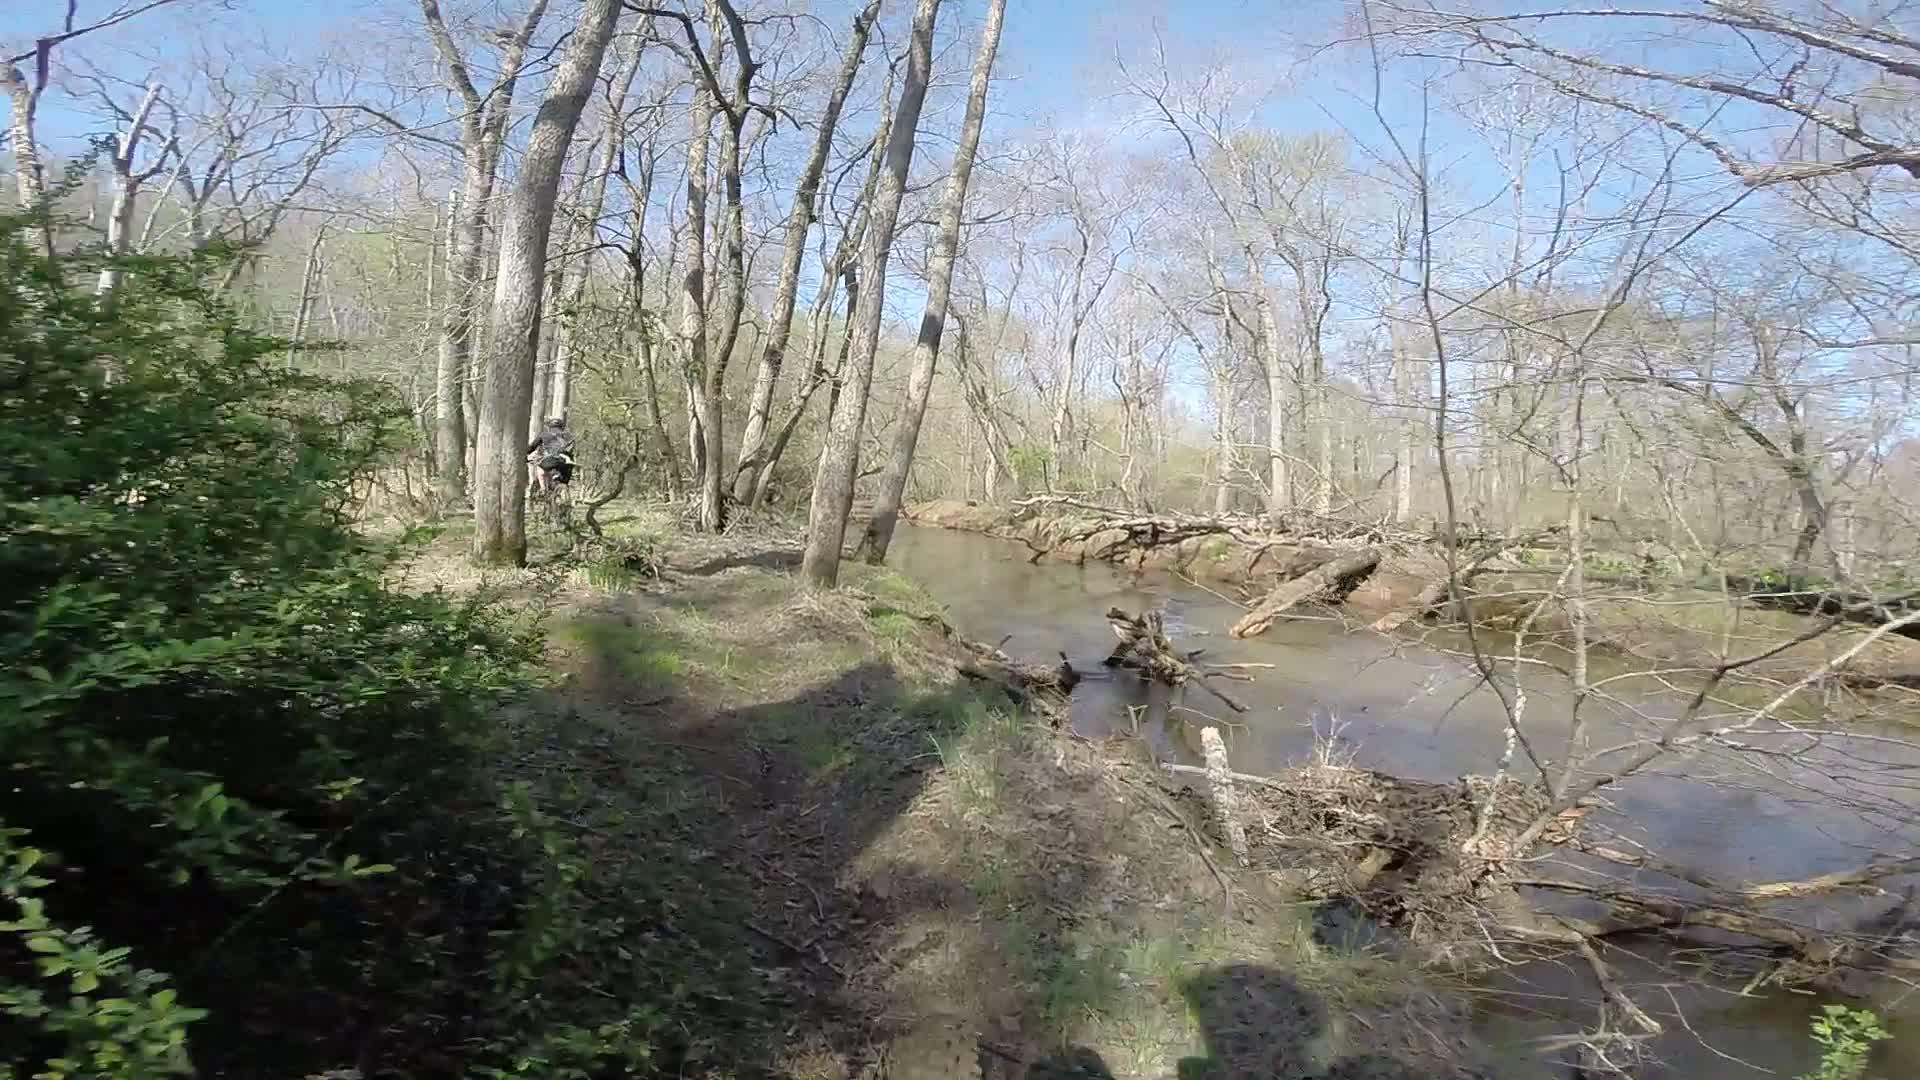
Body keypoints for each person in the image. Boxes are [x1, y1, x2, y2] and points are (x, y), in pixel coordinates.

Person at [526, 417, 576, 495]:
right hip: (568, 461)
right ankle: (564, 494)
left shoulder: (544, 434)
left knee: (541, 470)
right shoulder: (568, 435)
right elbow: (572, 447)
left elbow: (532, 447)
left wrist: (526, 454)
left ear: (550, 427)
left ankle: (543, 489)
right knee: (563, 480)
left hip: (552, 458)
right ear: (562, 427)